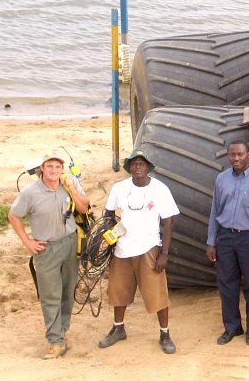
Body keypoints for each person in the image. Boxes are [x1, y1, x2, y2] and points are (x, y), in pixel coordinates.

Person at [8, 150, 90, 359]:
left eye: (57, 167)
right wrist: (27, 241)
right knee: (50, 295)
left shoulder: (68, 185)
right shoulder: (30, 192)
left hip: (71, 244)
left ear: (62, 169)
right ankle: (55, 341)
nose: (54, 170)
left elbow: (83, 207)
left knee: (67, 291)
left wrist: (70, 187)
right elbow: (13, 215)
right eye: (49, 166)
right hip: (47, 249)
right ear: (42, 169)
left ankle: (62, 332)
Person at [97, 148, 180, 354]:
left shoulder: (160, 189)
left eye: (141, 164)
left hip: (149, 249)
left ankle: (165, 334)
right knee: (119, 291)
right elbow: (108, 212)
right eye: (134, 164)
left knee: (157, 293)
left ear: (148, 167)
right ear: (129, 167)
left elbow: (168, 223)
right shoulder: (119, 188)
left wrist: (164, 253)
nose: (137, 167)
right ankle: (118, 329)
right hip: (122, 249)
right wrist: (110, 233)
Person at [207, 140, 249, 346]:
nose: (236, 158)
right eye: (232, 155)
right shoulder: (221, 180)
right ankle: (232, 327)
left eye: (240, 154)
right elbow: (215, 211)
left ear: (248, 155)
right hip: (225, 238)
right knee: (227, 284)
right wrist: (211, 241)